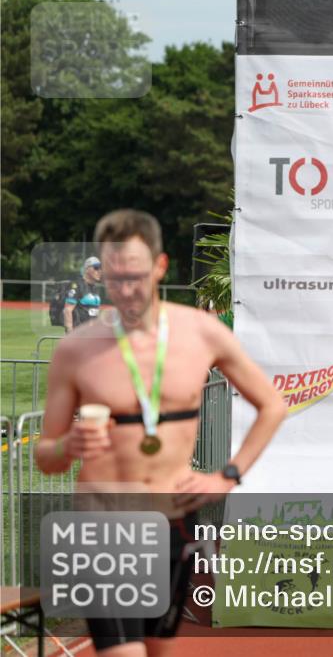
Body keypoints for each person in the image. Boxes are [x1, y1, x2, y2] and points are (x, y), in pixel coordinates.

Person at [36, 209, 287, 656]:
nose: (126, 290)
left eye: (134, 276)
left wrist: (227, 475)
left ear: (160, 266)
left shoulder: (202, 333)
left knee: (157, 650)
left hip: (173, 525)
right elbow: (46, 456)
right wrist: (68, 445)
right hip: (103, 525)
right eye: (114, 279)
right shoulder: (76, 351)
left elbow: (271, 404)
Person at [64, 255, 103, 332]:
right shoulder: (77, 286)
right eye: (96, 268)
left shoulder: (95, 288)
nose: (99, 271)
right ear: (87, 269)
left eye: (101, 268)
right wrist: (69, 332)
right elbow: (67, 310)